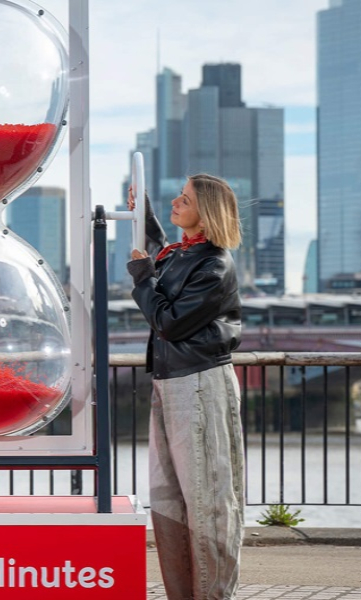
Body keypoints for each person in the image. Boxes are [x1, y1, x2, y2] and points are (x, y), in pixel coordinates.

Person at [126, 173, 244, 600]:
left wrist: (141, 279)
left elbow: (170, 321)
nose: (177, 201)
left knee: (207, 500)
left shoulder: (214, 265)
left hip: (198, 383)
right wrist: (146, 214)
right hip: (169, 381)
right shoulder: (181, 255)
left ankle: (211, 594)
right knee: (169, 499)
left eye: (186, 199)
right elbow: (160, 258)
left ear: (206, 212)